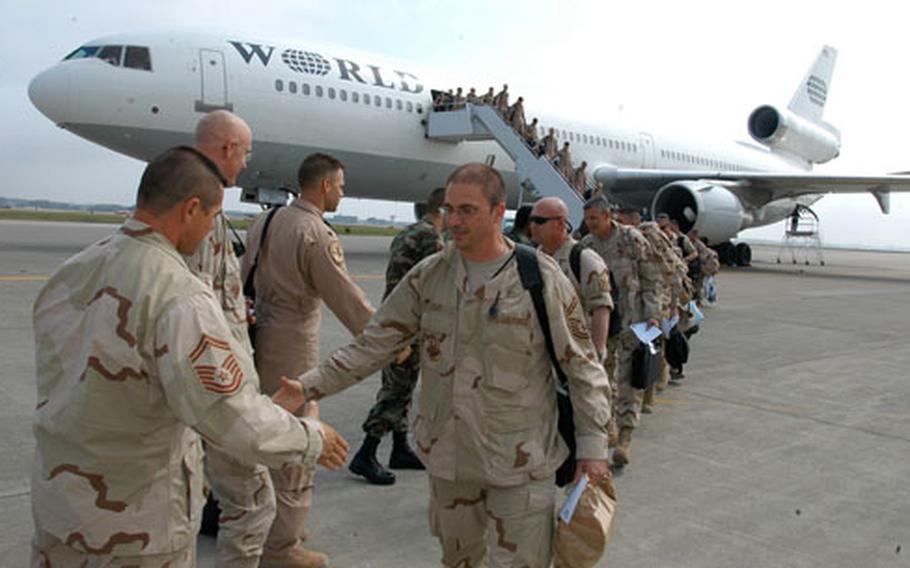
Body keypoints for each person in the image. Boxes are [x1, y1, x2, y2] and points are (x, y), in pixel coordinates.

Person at [30, 147, 348, 567]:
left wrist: (259, 406)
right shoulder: (178, 294)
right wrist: (311, 436)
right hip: (132, 531)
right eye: (211, 217)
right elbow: (235, 424)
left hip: (59, 511)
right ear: (190, 209)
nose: (209, 231)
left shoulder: (71, 271)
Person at [294, 163, 612, 568]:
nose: (454, 221)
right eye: (450, 209)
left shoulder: (538, 277)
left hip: (520, 463)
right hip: (451, 463)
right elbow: (373, 344)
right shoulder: (430, 275)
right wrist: (307, 386)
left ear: (499, 213)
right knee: (457, 562)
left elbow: (583, 368)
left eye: (468, 210)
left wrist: (593, 450)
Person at [243, 153, 374, 568]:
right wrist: (387, 340)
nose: (342, 191)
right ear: (323, 187)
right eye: (340, 185)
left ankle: (257, 523)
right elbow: (345, 296)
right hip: (292, 344)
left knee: (257, 434)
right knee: (298, 436)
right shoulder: (315, 232)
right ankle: (283, 547)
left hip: (253, 334)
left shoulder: (264, 220)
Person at [184, 110, 279, 567]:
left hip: (202, 385)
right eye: (244, 152)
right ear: (227, 148)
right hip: (213, 388)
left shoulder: (196, 199)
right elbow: (189, 310)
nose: (245, 163)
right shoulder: (197, 205)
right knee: (254, 501)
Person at [349, 187, 446, 485]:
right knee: (398, 390)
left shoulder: (408, 232)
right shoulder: (431, 238)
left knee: (398, 382)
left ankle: (400, 448)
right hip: (409, 324)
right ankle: (366, 452)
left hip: (394, 318)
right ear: (442, 210)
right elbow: (436, 287)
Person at [582, 196, 662, 467]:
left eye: (594, 218)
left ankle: (625, 437)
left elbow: (651, 276)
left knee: (629, 380)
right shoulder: (587, 246)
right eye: (587, 219)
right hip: (601, 322)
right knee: (602, 377)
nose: (590, 224)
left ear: (608, 216)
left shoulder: (631, 240)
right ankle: (609, 425)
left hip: (632, 319)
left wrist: (653, 313)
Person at [529, 197, 618, 443]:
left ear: (559, 223)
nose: (532, 226)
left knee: (588, 420)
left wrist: (598, 352)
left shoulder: (583, 258)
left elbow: (601, 307)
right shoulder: (532, 259)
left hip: (579, 352)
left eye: (539, 221)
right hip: (546, 352)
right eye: (531, 220)